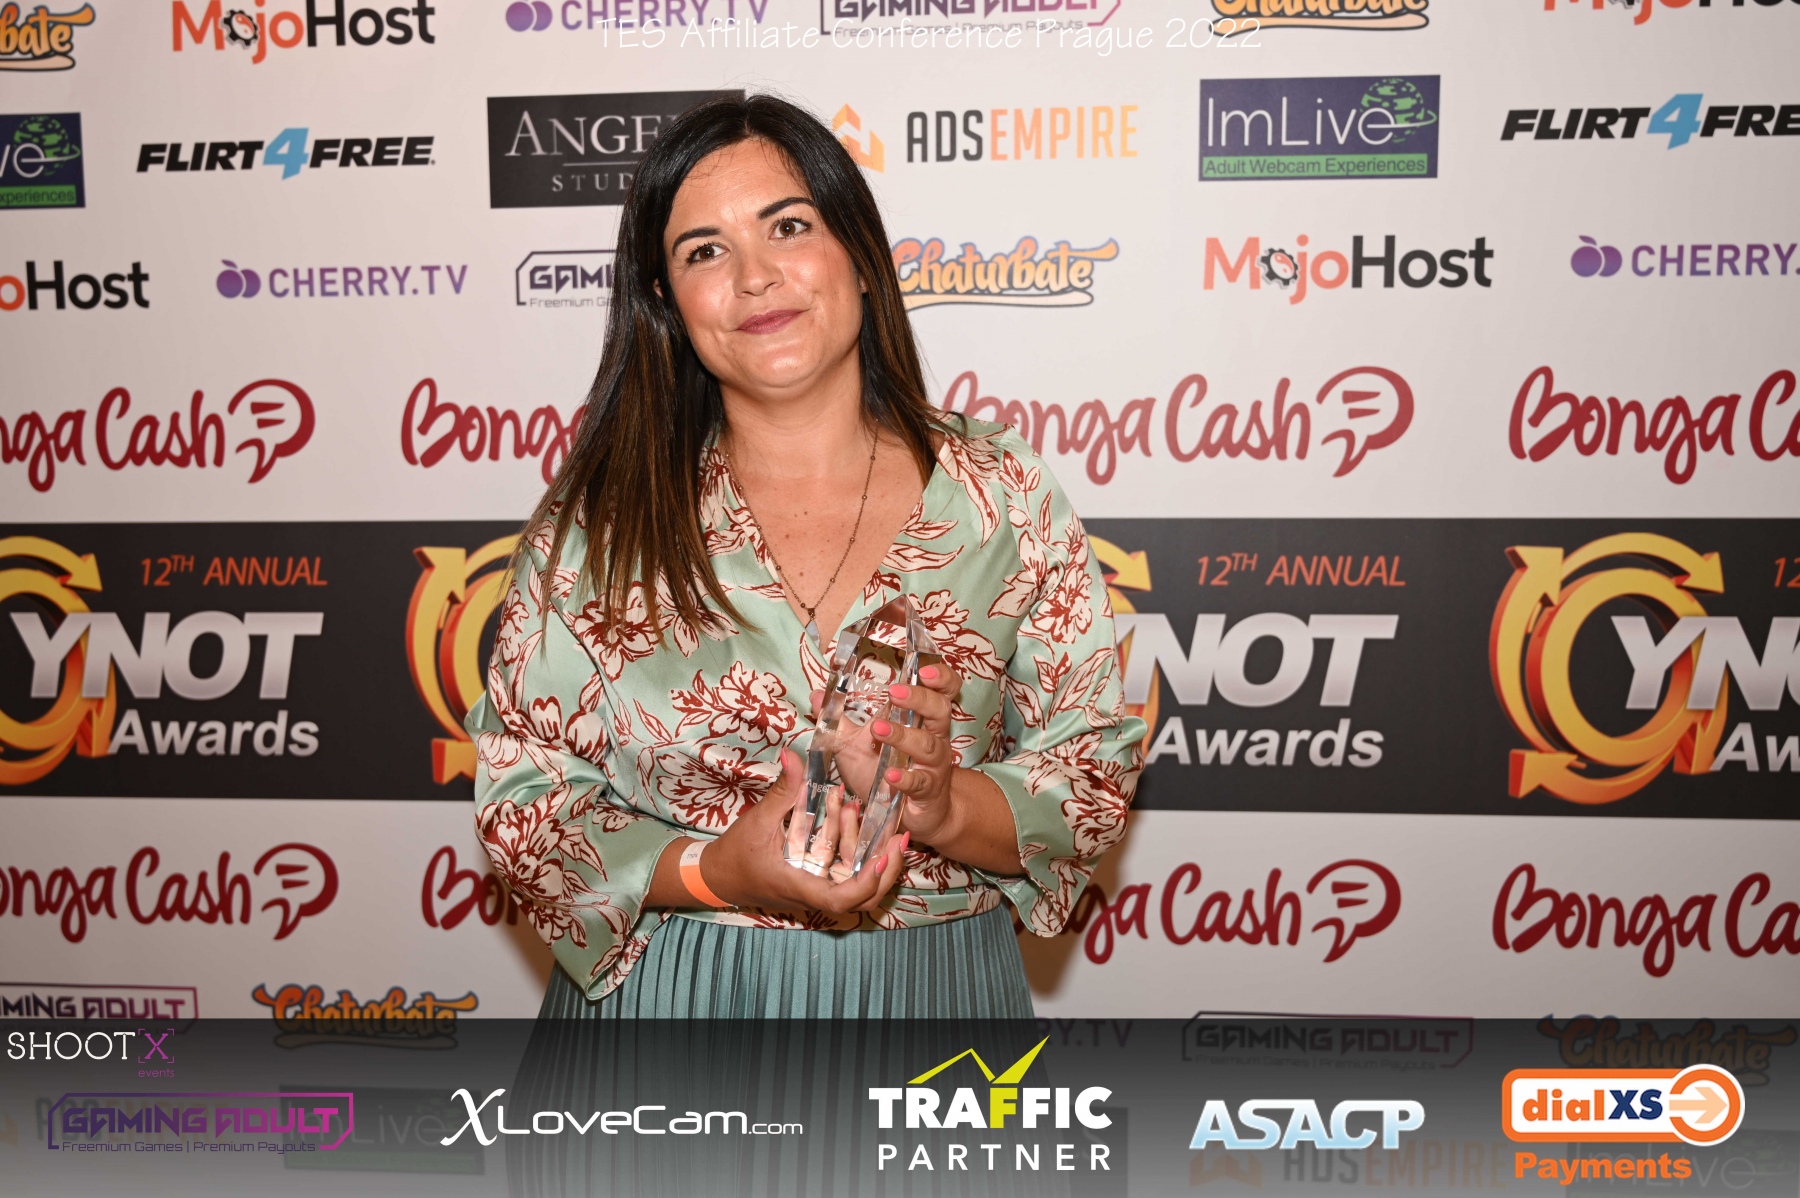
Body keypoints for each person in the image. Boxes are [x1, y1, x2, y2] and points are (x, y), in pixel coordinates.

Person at [466, 93, 1144, 1019]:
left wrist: (942, 805)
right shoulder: (603, 519)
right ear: (666, 301)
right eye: (704, 251)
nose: (755, 277)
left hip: (936, 1001)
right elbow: (524, 801)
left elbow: (1090, 770)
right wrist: (714, 870)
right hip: (674, 1003)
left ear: (860, 256)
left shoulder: (1000, 490)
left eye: (788, 226)